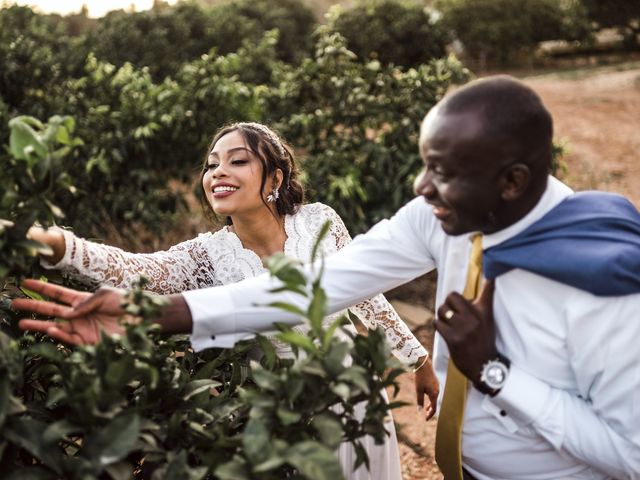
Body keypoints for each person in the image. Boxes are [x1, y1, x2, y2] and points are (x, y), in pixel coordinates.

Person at [15, 77, 640, 479]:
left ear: (510, 183)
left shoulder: (603, 281)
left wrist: (493, 373)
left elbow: (629, 454)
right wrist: (150, 311)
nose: (421, 191)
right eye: (425, 168)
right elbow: (331, 286)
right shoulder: (439, 216)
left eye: (442, 172)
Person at [22, 121, 439, 480]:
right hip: (278, 410)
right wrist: (56, 244)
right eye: (211, 164)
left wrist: (418, 360)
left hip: (354, 387)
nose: (218, 172)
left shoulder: (319, 220)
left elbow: (365, 292)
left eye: (237, 160)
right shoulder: (204, 254)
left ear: (274, 179)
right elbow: (133, 270)